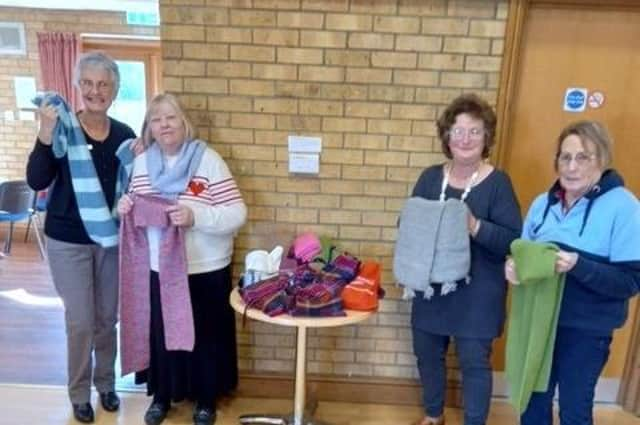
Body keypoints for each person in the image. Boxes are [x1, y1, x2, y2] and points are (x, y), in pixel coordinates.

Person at [117, 93, 247, 425]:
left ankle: (205, 400)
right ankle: (162, 396)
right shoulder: (143, 163)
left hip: (205, 268)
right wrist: (126, 207)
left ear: (183, 122)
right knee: (162, 336)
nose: (164, 125)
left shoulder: (208, 160)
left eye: (170, 117)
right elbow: (134, 202)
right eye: (156, 119)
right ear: (150, 128)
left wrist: (195, 216)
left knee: (204, 337)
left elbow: (237, 213)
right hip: (159, 268)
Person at [505, 121, 640, 425]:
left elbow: (630, 281)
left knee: (574, 411)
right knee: (531, 404)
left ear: (602, 159)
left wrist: (578, 265)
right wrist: (513, 267)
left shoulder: (625, 207)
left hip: (585, 333)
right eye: (565, 157)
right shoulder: (542, 204)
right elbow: (521, 254)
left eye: (583, 157)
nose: (571, 167)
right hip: (537, 325)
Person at [26, 51, 135, 423]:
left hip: (109, 241)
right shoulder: (61, 129)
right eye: (88, 83)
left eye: (103, 84)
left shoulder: (124, 135)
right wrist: (43, 133)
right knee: (82, 320)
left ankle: (106, 384)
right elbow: (37, 181)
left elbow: (131, 187)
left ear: (115, 89)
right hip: (67, 240)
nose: (95, 90)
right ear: (77, 85)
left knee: (107, 318)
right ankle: (78, 392)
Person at [409, 93, 522, 425]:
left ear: (487, 137)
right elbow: (411, 224)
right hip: (432, 288)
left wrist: (475, 226)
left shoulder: (498, 183)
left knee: (474, 362)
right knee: (428, 355)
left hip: (479, 292)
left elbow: (513, 240)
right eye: (457, 131)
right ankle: (433, 416)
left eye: (475, 131)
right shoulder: (430, 178)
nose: (465, 138)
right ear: (447, 136)